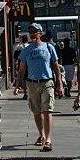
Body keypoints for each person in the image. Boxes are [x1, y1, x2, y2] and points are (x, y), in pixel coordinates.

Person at [17, 23, 65, 151]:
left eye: (34, 31)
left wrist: (59, 84)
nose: (32, 34)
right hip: (31, 83)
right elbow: (21, 70)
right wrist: (18, 85)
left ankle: (48, 140)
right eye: (30, 32)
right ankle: (41, 134)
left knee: (47, 110)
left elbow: (56, 66)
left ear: (40, 33)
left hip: (47, 82)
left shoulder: (49, 47)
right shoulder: (26, 50)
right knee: (37, 112)